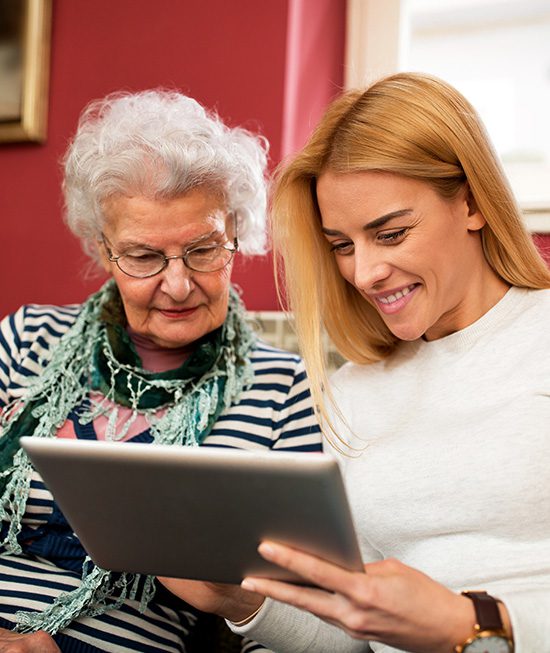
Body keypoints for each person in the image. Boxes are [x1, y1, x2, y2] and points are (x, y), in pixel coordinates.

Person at [161, 73, 550, 652]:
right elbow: (354, 639)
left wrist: (468, 624)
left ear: (470, 203)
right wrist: (244, 602)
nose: (363, 273)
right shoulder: (352, 391)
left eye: (390, 234)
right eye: (342, 245)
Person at [0, 90, 322, 653]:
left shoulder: (284, 391)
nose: (177, 285)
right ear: (103, 250)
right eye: (144, 257)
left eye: (203, 250)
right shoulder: (27, 338)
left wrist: (242, 601)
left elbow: (303, 622)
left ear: (237, 237)